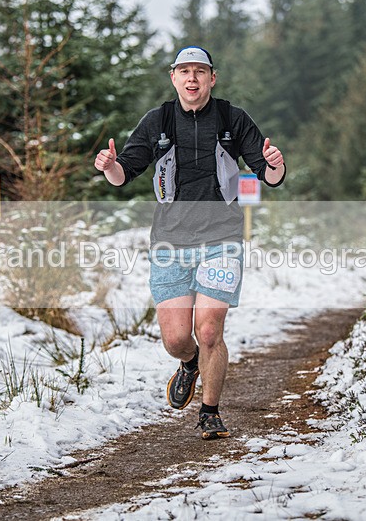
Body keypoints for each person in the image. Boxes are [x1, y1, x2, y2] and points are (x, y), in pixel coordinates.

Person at [93, 46, 286, 440]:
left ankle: (210, 412)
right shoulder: (158, 121)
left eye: (200, 71)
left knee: (210, 330)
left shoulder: (232, 118)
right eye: (185, 71)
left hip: (222, 239)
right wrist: (111, 167)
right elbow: (125, 173)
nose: (192, 78)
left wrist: (275, 165)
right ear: (174, 78)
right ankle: (190, 362)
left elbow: (267, 174)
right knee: (177, 339)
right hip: (170, 241)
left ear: (212, 78)